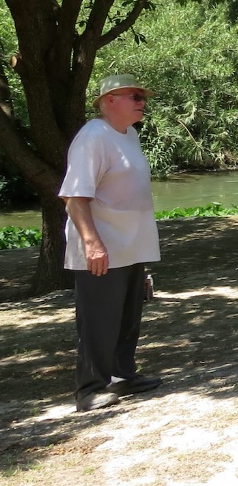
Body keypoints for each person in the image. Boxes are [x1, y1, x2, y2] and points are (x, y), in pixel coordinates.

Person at [60, 73, 162, 412]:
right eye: (134, 96)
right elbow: (75, 196)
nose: (141, 101)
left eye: (142, 96)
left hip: (131, 245)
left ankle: (122, 376)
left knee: (127, 316)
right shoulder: (93, 137)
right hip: (103, 247)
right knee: (99, 319)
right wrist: (92, 243)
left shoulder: (129, 134)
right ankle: (89, 389)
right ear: (109, 101)